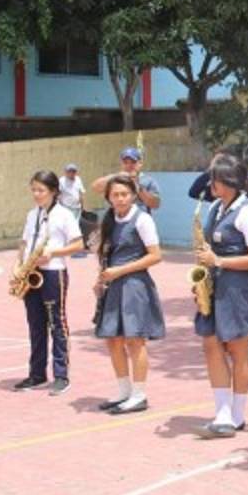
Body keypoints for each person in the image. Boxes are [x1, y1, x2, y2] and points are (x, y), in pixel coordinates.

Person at [194, 156, 248, 438]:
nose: (210, 184)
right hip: (216, 285)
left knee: (238, 349)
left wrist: (219, 261)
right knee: (211, 344)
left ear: (229, 182)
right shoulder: (216, 207)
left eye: (215, 179)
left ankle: (236, 414)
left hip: (239, 287)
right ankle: (223, 412)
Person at [94, 174, 164, 414]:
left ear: (133, 195)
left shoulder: (142, 219)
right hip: (113, 284)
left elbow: (155, 255)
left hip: (135, 285)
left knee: (135, 340)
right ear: (108, 197)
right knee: (113, 339)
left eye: (124, 194)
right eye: (115, 195)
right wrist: (100, 279)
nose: (120, 199)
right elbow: (106, 254)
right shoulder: (109, 220)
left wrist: (120, 270)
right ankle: (124, 391)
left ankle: (139, 394)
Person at [14, 171, 83, 395]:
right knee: (35, 325)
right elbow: (24, 242)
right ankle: (37, 374)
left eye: (41, 190)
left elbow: (78, 244)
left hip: (53, 273)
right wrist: (19, 266)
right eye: (33, 190)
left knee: (56, 323)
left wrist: (53, 253)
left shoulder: (64, 215)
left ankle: (61, 375)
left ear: (53, 191)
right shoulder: (32, 214)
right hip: (31, 273)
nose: (36, 194)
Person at [91, 147, 161, 213]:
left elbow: (155, 204)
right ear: (121, 164)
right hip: (116, 219)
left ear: (140, 163)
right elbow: (95, 188)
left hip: (139, 219)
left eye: (133, 162)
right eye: (125, 162)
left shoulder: (148, 181)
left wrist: (138, 186)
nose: (129, 165)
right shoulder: (116, 178)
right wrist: (117, 176)